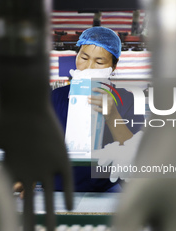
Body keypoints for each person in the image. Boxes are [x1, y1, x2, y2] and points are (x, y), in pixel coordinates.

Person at [51, 27, 145, 192]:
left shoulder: (128, 100)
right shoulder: (55, 98)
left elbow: (136, 153)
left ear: (113, 67)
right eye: (84, 57)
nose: (89, 67)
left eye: (99, 62)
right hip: (58, 189)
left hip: (105, 190)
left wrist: (112, 115)